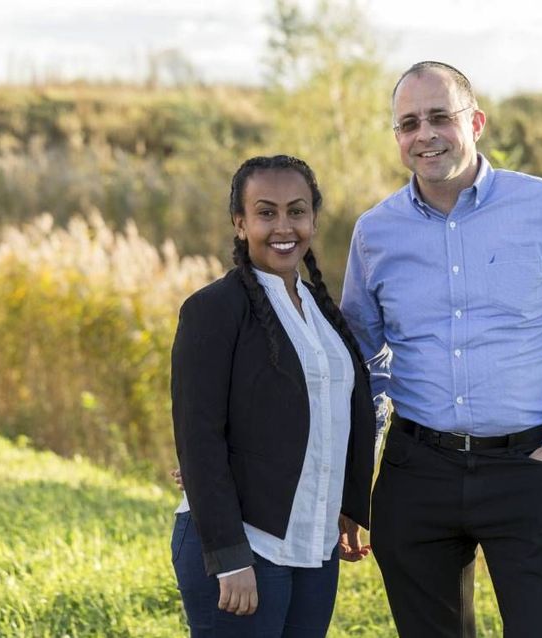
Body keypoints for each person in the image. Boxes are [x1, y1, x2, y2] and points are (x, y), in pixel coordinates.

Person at [339, 61, 542, 637]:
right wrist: (354, 483)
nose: (425, 134)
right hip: (416, 471)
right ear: (397, 136)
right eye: (409, 123)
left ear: (476, 122)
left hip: (528, 468)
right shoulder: (375, 233)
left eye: (440, 117)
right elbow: (361, 368)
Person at [170, 155, 375, 637]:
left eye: (296, 211)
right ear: (240, 224)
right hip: (244, 546)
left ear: (313, 219)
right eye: (266, 213)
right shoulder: (212, 310)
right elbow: (199, 439)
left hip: (314, 545)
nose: (283, 226)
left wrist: (348, 506)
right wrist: (228, 558)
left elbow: (338, 416)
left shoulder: (325, 315)